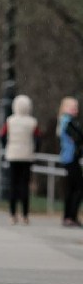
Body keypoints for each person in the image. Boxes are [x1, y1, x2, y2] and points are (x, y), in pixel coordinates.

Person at [0, 95, 41, 225]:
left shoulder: (10, 121)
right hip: (27, 156)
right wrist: (34, 150)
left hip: (13, 155)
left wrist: (7, 146)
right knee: (24, 185)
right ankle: (25, 215)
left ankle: (12, 214)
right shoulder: (32, 122)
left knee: (13, 185)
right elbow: (38, 138)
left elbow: (2, 136)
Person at [57, 96, 83, 227]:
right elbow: (77, 137)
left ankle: (69, 216)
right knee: (78, 187)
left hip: (70, 158)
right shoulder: (67, 122)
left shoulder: (67, 121)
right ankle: (70, 216)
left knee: (72, 188)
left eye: (76, 108)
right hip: (70, 158)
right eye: (73, 107)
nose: (76, 110)